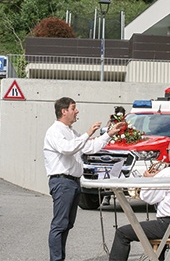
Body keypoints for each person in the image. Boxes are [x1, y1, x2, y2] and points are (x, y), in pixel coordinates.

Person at [43, 97, 122, 261]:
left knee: (67, 224)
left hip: (72, 182)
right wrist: (88, 133)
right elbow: (67, 149)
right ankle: (56, 259)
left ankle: (59, 258)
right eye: (73, 108)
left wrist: (109, 134)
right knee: (60, 224)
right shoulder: (54, 131)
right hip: (62, 181)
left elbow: (89, 147)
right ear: (64, 111)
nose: (77, 111)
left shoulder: (71, 132)